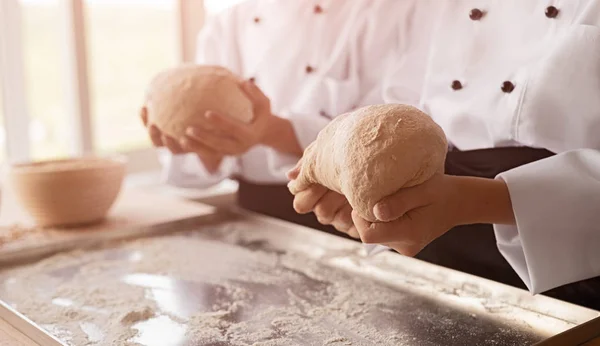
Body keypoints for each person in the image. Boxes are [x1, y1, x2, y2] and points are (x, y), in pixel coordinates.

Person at [289, 1, 600, 310]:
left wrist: (470, 201)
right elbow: (403, 110)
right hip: (436, 256)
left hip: (568, 277)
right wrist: (377, 186)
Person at [140, 0, 415, 234]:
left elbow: (385, 139)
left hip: (341, 214)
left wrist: (269, 131)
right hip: (252, 214)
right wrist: (204, 145)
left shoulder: (382, 12)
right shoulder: (229, 23)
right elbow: (198, 174)